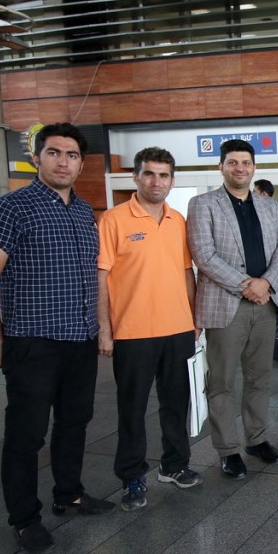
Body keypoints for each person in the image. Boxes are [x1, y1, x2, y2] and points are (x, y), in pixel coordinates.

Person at [0, 122, 115, 554]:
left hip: (79, 340)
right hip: (32, 343)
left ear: (81, 164)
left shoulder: (83, 212)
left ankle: (69, 494)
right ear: (36, 158)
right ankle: (24, 518)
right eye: (54, 152)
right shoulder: (7, 209)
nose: (63, 162)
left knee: (74, 422)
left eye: (72, 155)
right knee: (26, 435)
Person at [97, 147, 201, 511]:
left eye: (164, 175)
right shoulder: (113, 220)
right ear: (136, 177)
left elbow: (187, 272)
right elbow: (101, 277)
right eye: (149, 174)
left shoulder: (178, 220)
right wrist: (104, 329)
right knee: (132, 409)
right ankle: (132, 477)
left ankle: (175, 465)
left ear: (172, 180)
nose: (157, 182)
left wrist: (193, 318)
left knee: (177, 403)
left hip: (178, 328)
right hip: (132, 331)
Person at [187, 138, 278, 479]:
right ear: (221, 166)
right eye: (232, 162)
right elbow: (204, 256)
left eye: (246, 162)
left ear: (254, 167)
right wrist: (248, 285)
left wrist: (267, 283)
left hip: (265, 305)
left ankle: (257, 439)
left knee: (260, 378)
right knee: (221, 382)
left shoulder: (268, 205)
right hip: (226, 306)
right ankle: (228, 450)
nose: (240, 168)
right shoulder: (203, 204)